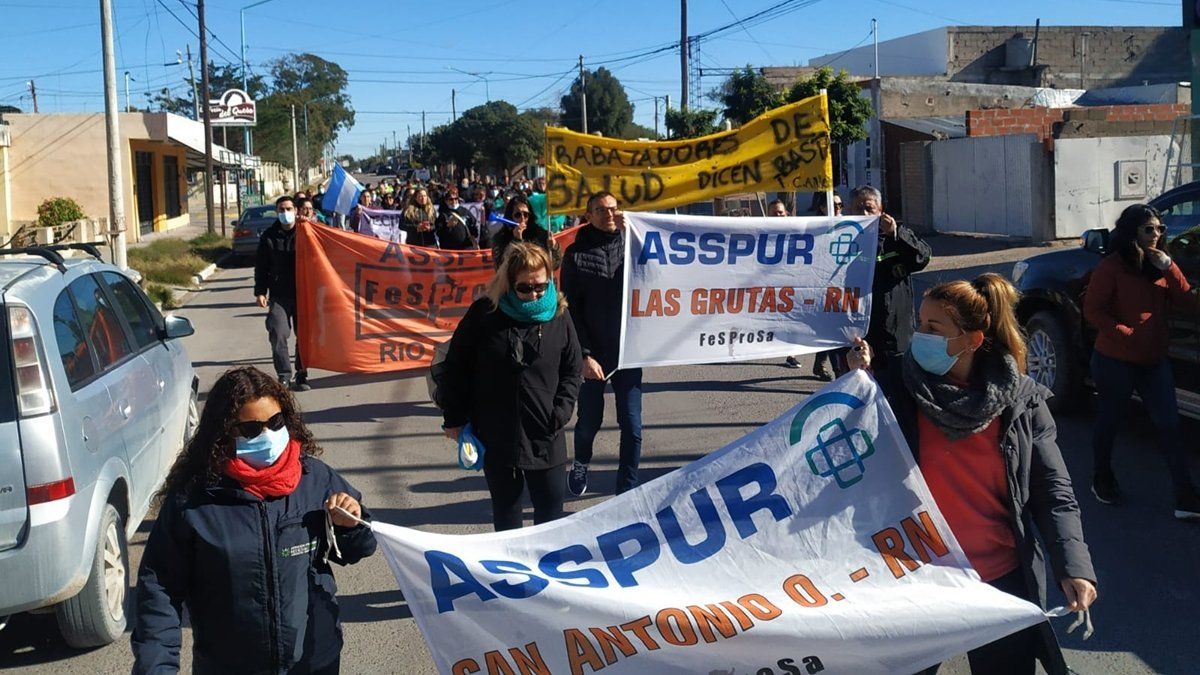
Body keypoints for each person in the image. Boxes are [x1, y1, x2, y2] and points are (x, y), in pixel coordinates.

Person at [846, 273, 1097, 675]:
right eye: (919, 325)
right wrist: (858, 381)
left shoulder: (1021, 401)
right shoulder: (897, 387)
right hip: (917, 580)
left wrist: (1074, 567)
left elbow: (1052, 491)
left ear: (972, 340)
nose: (919, 336)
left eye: (933, 327)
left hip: (999, 580)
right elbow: (843, 447)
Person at [131, 366, 376, 674]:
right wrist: (156, 668)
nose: (268, 435)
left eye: (276, 422)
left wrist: (351, 524)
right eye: (250, 429)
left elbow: (361, 548)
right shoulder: (193, 501)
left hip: (315, 662)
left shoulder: (315, 478)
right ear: (223, 433)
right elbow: (160, 589)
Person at [439, 243, 582, 531]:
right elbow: (455, 367)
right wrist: (454, 419)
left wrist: (562, 410)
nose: (534, 295)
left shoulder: (559, 313)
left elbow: (572, 367)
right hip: (497, 434)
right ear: (508, 283)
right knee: (507, 517)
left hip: (546, 431)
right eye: (524, 288)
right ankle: (512, 576)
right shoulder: (485, 313)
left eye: (540, 287)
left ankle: (547, 573)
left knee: (551, 520)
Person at [1082, 203, 1200, 519]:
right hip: (1115, 360)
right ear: (1132, 231)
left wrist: (1169, 267)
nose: (1156, 235)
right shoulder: (1112, 267)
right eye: (1149, 229)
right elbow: (1093, 310)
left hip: (1153, 361)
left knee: (1169, 425)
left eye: (1160, 229)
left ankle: (1186, 497)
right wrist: (1127, 333)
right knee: (1110, 420)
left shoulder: (1159, 265)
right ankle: (1102, 478)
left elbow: (1189, 303)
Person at [561, 192, 643, 496]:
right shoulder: (576, 254)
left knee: (632, 426)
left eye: (613, 209)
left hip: (629, 350)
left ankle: (628, 490)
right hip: (593, 354)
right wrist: (583, 354)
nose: (609, 214)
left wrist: (630, 232)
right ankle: (581, 463)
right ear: (588, 214)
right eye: (601, 210)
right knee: (588, 421)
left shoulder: (634, 244)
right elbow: (570, 309)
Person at [851, 185, 931, 383]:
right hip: (861, 333)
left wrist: (896, 234)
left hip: (898, 332)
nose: (864, 213)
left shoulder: (896, 237)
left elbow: (921, 258)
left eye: (869, 208)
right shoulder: (844, 241)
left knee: (898, 388)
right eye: (857, 208)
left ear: (880, 210)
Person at [254, 195, 309, 391]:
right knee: (278, 332)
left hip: (304, 293)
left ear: (296, 210)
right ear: (277, 213)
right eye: (281, 210)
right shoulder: (269, 236)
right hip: (279, 294)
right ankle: (284, 375)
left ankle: (302, 373)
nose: (285, 213)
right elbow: (261, 267)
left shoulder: (307, 232)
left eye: (288, 209)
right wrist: (260, 291)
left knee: (303, 335)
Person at [491, 194, 560, 269]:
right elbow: (500, 268)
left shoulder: (540, 234)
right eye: (518, 215)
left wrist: (554, 248)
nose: (522, 218)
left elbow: (555, 265)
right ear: (510, 217)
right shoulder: (501, 238)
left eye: (526, 214)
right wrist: (517, 241)